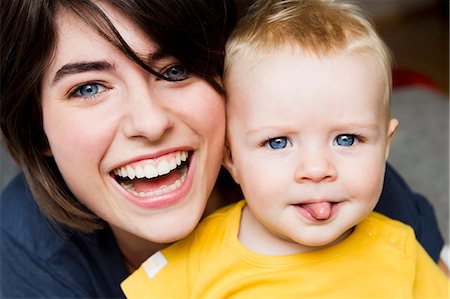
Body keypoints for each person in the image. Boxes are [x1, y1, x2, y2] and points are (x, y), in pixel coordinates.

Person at [0, 0, 445, 298]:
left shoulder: (333, 184)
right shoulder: (25, 255)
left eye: (176, 70)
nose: (151, 122)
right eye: (90, 87)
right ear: (35, 126)